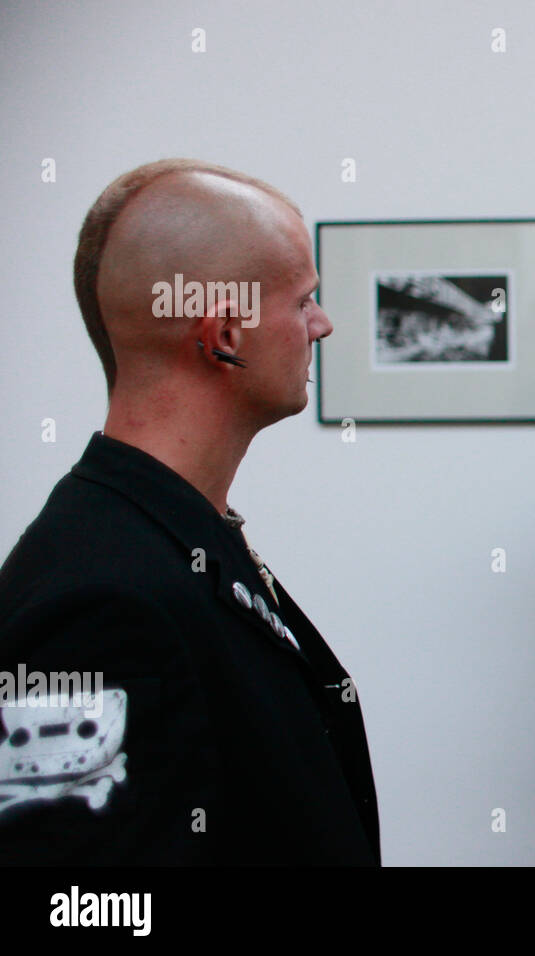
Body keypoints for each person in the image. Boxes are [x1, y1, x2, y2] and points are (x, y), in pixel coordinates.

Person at [0, 159, 381, 864]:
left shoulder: (175, 533)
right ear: (223, 337)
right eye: (302, 302)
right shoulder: (100, 600)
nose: (321, 325)